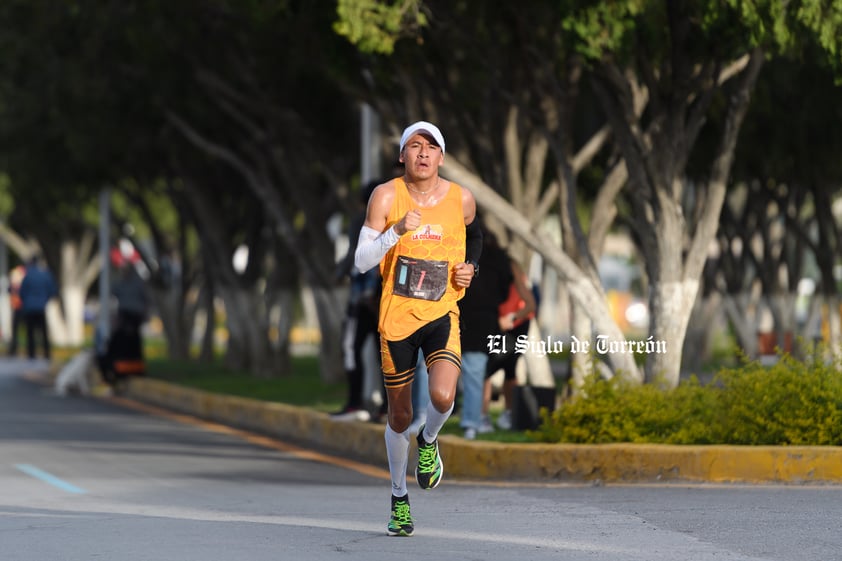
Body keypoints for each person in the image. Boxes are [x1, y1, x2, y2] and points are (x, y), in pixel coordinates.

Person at [354, 120, 481, 537]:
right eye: (414, 146)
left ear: (441, 157)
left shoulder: (461, 199)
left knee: (444, 396)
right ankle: (398, 498)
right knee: (399, 415)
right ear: (402, 156)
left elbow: (475, 236)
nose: (423, 153)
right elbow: (361, 261)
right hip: (396, 320)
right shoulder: (386, 195)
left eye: (431, 147)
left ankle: (428, 441)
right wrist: (395, 231)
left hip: (442, 312)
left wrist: (470, 268)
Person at [333, 180, 384, 422]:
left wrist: (341, 274)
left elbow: (357, 255)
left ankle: (356, 404)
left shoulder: (359, 221)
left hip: (367, 299)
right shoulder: (396, 218)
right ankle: (385, 408)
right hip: (387, 301)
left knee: (352, 349)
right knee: (386, 355)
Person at [457, 227, 513, 439]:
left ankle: (424, 418)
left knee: (431, 369)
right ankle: (471, 422)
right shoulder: (498, 256)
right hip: (483, 321)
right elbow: (505, 289)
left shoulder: (456, 247)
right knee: (474, 373)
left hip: (455, 315)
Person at [483, 257, 537, 430]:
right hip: (498, 324)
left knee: (497, 367)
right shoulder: (484, 270)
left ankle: (504, 414)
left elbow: (530, 305)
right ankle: (487, 415)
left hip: (517, 324)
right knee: (498, 368)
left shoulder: (512, 268)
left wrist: (511, 318)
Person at [18, 255, 58, 360]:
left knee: (30, 333)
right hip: (41, 307)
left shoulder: (28, 276)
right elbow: (52, 290)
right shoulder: (45, 274)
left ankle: (31, 354)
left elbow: (22, 292)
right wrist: (45, 300)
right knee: (44, 332)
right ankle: (46, 354)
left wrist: (26, 302)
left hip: (29, 308)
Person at [7, 264, 26, 356]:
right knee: (15, 329)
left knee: (19, 329)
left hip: (22, 307)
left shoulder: (22, 285)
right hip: (17, 307)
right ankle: (14, 349)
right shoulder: (13, 287)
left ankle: (15, 349)